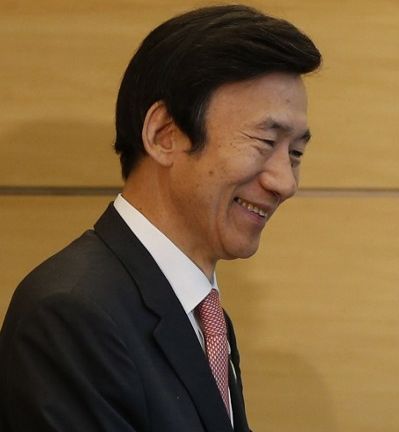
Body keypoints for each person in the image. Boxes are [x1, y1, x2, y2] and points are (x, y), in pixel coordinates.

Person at [0, 5, 321, 431]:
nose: (285, 182)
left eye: (295, 153)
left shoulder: (203, 315)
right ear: (164, 135)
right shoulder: (71, 314)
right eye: (265, 142)